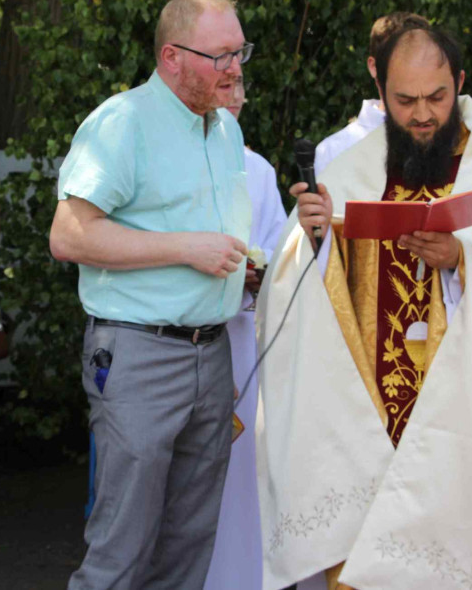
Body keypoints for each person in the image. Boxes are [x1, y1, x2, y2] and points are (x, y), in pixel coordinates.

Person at [256, 27, 472, 590]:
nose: (421, 116)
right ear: (380, 91)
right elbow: (293, 297)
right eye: (405, 100)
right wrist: (316, 240)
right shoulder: (349, 172)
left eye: (436, 98)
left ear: (460, 84)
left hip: (466, 417)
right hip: (369, 420)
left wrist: (466, 258)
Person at [50, 0, 252, 590]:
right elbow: (69, 236)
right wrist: (185, 247)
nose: (235, 67)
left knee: (189, 545)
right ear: (172, 57)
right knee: (121, 549)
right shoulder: (123, 121)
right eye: (221, 56)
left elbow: (215, 236)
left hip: (210, 352)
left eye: (240, 51)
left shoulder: (224, 129)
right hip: (138, 354)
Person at [204, 76, 286, 590]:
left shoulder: (259, 171)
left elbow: (281, 249)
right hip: (186, 337)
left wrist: (261, 271)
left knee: (243, 473)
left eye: (240, 89)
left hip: (242, 340)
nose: (235, 98)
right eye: (224, 86)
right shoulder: (174, 165)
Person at [314, 12, 428, 176]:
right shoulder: (333, 152)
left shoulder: (455, 143)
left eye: (420, 61)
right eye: (398, 60)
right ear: (373, 67)